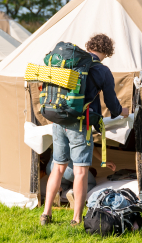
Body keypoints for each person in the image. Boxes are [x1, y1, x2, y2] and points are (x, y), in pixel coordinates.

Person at [40, 34, 129, 227]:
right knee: (80, 172)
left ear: (89, 47)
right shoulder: (102, 70)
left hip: (58, 121)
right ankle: (76, 219)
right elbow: (112, 105)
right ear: (107, 52)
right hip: (80, 124)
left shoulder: (69, 64)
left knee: (57, 168)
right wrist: (123, 111)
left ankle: (46, 214)